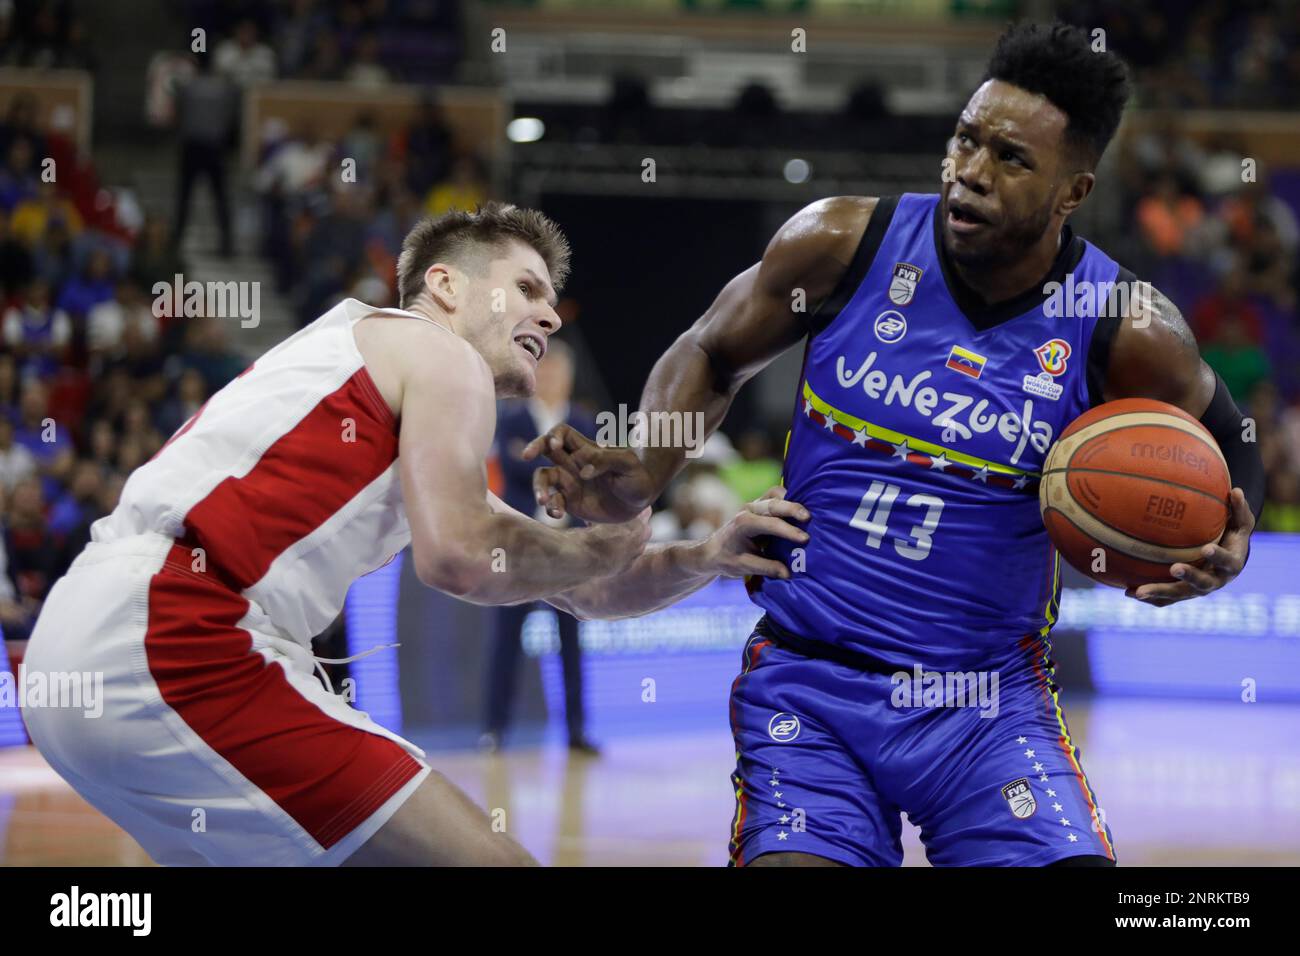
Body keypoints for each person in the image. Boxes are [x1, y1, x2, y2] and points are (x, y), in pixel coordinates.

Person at [523, 22, 1266, 868]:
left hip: (986, 704)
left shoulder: (1122, 326)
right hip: (811, 687)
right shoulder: (842, 243)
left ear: (1073, 191)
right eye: (965, 140)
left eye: (1011, 160)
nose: (971, 173)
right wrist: (648, 465)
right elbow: (710, 349)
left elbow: (1228, 429)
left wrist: (1230, 538)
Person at [21, 202, 809, 866]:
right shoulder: (436, 351)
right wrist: (602, 539)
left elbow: (588, 589)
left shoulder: (377, 389)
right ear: (445, 286)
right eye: (527, 288)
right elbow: (462, 557)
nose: (546, 312)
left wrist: (705, 556)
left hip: (86, 651)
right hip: (178, 634)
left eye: (552, 298)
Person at [482, 340, 599, 755]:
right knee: (507, 640)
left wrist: (538, 464)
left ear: (567, 377)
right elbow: (509, 466)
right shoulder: (511, 418)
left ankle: (576, 732)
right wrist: (561, 468)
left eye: (556, 371)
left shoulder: (584, 421)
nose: (548, 378)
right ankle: (496, 729)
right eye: (543, 370)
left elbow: (592, 474)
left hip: (569, 550)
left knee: (572, 642)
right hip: (522, 548)